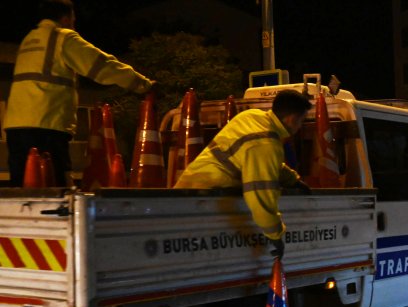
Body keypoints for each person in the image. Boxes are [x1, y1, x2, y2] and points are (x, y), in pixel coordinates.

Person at [3, 0, 153, 187]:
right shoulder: (63, 37)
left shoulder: (29, 40)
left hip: (16, 126)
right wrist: (143, 84)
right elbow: (102, 65)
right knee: (55, 186)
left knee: (21, 187)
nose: (74, 24)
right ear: (66, 18)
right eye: (73, 19)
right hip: (47, 123)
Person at [174, 90, 313, 259]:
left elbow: (265, 162)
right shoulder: (266, 143)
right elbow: (260, 194)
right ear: (292, 119)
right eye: (301, 121)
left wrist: (292, 180)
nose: (300, 127)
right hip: (205, 199)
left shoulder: (252, 117)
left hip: (189, 188)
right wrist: (275, 235)